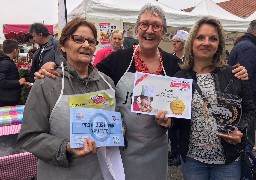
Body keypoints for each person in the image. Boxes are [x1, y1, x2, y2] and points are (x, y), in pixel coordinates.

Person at [35, 5, 248, 180]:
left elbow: (182, 109)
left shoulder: (175, 65)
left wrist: (170, 122)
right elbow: (86, 75)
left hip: (157, 150)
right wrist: (54, 65)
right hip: (122, 149)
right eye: (145, 24)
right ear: (137, 29)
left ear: (163, 32)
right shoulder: (117, 61)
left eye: (157, 26)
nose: (150, 30)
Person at [17, 17, 119, 179]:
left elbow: (117, 119)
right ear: (63, 46)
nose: (86, 45)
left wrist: (121, 129)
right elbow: (30, 136)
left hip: (102, 173)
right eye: (78, 39)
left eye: (91, 41)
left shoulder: (107, 82)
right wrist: (65, 148)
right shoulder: (47, 83)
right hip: (61, 174)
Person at [156, 17, 256, 180]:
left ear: (219, 44)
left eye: (213, 38)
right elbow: (178, 117)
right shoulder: (180, 78)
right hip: (192, 160)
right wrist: (169, 122)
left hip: (228, 160)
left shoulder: (234, 75)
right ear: (192, 42)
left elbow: (250, 110)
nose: (206, 42)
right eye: (200, 37)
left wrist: (241, 131)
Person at [228, 19, 256, 179]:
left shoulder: (246, 45)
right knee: (245, 143)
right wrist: (249, 109)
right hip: (245, 108)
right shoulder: (249, 48)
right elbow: (245, 83)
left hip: (241, 107)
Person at [168, 29, 189, 166]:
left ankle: (179, 154)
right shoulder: (171, 57)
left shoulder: (188, 59)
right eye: (174, 41)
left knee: (180, 128)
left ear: (183, 44)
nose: (174, 44)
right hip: (171, 94)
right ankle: (174, 150)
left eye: (177, 42)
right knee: (171, 127)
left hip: (184, 96)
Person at [0, 39, 31, 107]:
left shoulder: (6, 62)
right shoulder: (5, 63)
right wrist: (18, 82)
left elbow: (10, 79)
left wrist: (22, 83)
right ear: (15, 50)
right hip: (6, 101)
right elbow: (1, 82)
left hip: (8, 99)